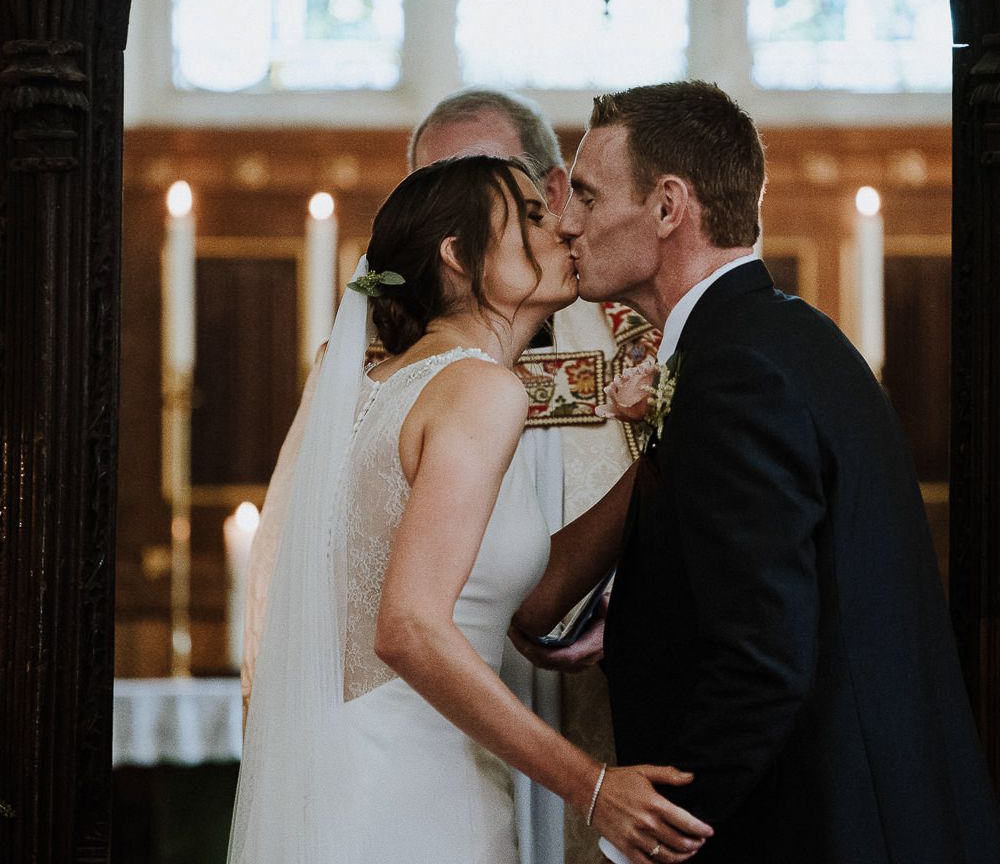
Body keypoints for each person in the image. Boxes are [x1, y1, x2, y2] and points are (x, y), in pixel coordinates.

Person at [512, 81, 1000, 863]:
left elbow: (764, 661)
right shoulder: (783, 338)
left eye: (590, 196)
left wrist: (649, 834)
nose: (567, 220)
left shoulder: (734, 375)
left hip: (815, 828)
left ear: (668, 207)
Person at [228, 155, 713, 864]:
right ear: (458, 256)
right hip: (416, 789)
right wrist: (592, 787)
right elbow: (408, 628)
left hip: (354, 774)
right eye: (533, 216)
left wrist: (660, 455)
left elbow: (527, 602)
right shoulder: (479, 389)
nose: (564, 227)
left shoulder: (385, 384)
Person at [410, 87, 660, 864]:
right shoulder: (379, 368)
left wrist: (636, 604)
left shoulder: (643, 337)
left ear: (552, 193)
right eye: (431, 192)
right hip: (437, 716)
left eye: (484, 186)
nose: (453, 222)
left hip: (603, 693)